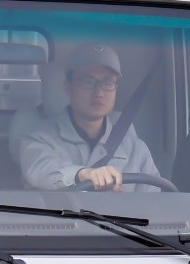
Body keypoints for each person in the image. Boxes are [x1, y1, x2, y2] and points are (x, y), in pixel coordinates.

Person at [20, 42, 162, 192]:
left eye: (107, 83)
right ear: (68, 87)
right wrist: (83, 174)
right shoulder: (38, 138)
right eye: (88, 82)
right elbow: (40, 170)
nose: (99, 93)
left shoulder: (136, 149)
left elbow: (155, 205)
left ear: (115, 89)